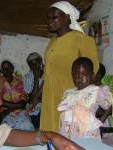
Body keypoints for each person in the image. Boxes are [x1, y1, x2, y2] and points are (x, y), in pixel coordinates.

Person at [37, 1, 99, 132]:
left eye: (55, 17)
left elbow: (93, 71)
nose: (50, 21)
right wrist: (34, 100)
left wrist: (82, 101)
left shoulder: (81, 39)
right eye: (48, 18)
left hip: (69, 97)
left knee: (66, 132)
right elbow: (47, 75)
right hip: (49, 96)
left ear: (68, 17)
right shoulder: (51, 42)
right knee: (49, 132)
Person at [58, 57, 112, 140]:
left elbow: (109, 107)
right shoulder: (68, 93)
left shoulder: (95, 91)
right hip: (68, 132)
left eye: (84, 75)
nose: (79, 78)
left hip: (87, 133)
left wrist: (100, 121)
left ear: (92, 76)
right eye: (76, 75)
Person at [0, 60, 34, 131]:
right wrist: (17, 106)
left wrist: (10, 109)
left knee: (28, 127)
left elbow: (23, 102)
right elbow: (0, 101)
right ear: (2, 70)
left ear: (12, 69)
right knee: (7, 130)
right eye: (4, 69)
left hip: (19, 112)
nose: (7, 70)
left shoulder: (19, 82)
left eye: (9, 68)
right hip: (7, 115)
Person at [23, 52, 44, 129]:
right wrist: (36, 77)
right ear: (29, 66)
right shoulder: (27, 77)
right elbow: (31, 99)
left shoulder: (48, 74)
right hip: (33, 110)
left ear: (41, 61)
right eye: (32, 64)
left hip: (46, 108)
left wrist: (39, 99)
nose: (35, 66)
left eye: (37, 62)